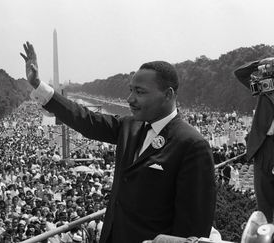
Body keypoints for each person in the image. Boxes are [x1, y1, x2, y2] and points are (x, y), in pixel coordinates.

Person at [20, 41, 216, 242]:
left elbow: (193, 227)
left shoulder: (192, 145)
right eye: (131, 90)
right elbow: (85, 119)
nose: (130, 99)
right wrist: (38, 86)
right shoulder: (129, 126)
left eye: (140, 92)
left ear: (168, 95)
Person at [234, 57, 274, 222]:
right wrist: (259, 63)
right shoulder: (266, 86)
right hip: (264, 146)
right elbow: (240, 73)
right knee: (263, 199)